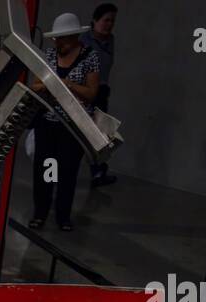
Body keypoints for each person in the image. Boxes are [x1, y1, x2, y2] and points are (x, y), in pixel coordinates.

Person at [29, 13, 101, 231]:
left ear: (73, 38)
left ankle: (63, 216)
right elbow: (37, 85)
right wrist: (50, 85)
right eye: (56, 39)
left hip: (73, 127)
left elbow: (91, 93)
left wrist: (66, 84)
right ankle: (40, 212)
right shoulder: (50, 55)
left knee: (67, 172)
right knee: (45, 170)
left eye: (62, 39)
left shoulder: (90, 56)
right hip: (49, 123)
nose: (57, 43)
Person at [83, 3, 118, 186]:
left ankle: (98, 172)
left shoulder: (110, 40)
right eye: (105, 20)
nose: (109, 24)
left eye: (112, 21)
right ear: (95, 20)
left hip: (102, 91)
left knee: (102, 134)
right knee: (82, 132)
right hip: (85, 92)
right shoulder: (84, 41)